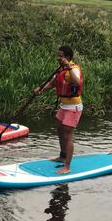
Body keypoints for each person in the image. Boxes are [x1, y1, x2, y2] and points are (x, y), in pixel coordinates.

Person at [35, 45, 83, 174]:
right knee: (60, 130)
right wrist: (41, 89)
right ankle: (62, 156)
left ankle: (67, 166)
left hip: (73, 106)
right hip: (64, 106)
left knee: (68, 134)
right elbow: (52, 84)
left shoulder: (74, 69)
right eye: (58, 55)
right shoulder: (60, 70)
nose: (58, 58)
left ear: (67, 57)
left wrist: (68, 68)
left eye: (60, 56)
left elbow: (77, 82)